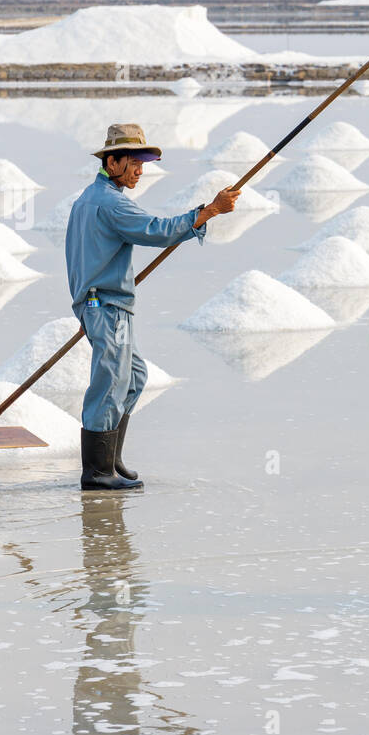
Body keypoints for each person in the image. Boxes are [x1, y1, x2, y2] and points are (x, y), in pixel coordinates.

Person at [66, 123, 239, 491]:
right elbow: (156, 230)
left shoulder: (88, 198)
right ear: (111, 162)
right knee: (110, 382)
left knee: (134, 376)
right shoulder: (110, 203)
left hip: (101, 300)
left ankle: (110, 459)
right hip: (105, 303)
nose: (140, 171)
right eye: (134, 163)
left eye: (143, 164)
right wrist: (208, 212)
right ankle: (97, 472)